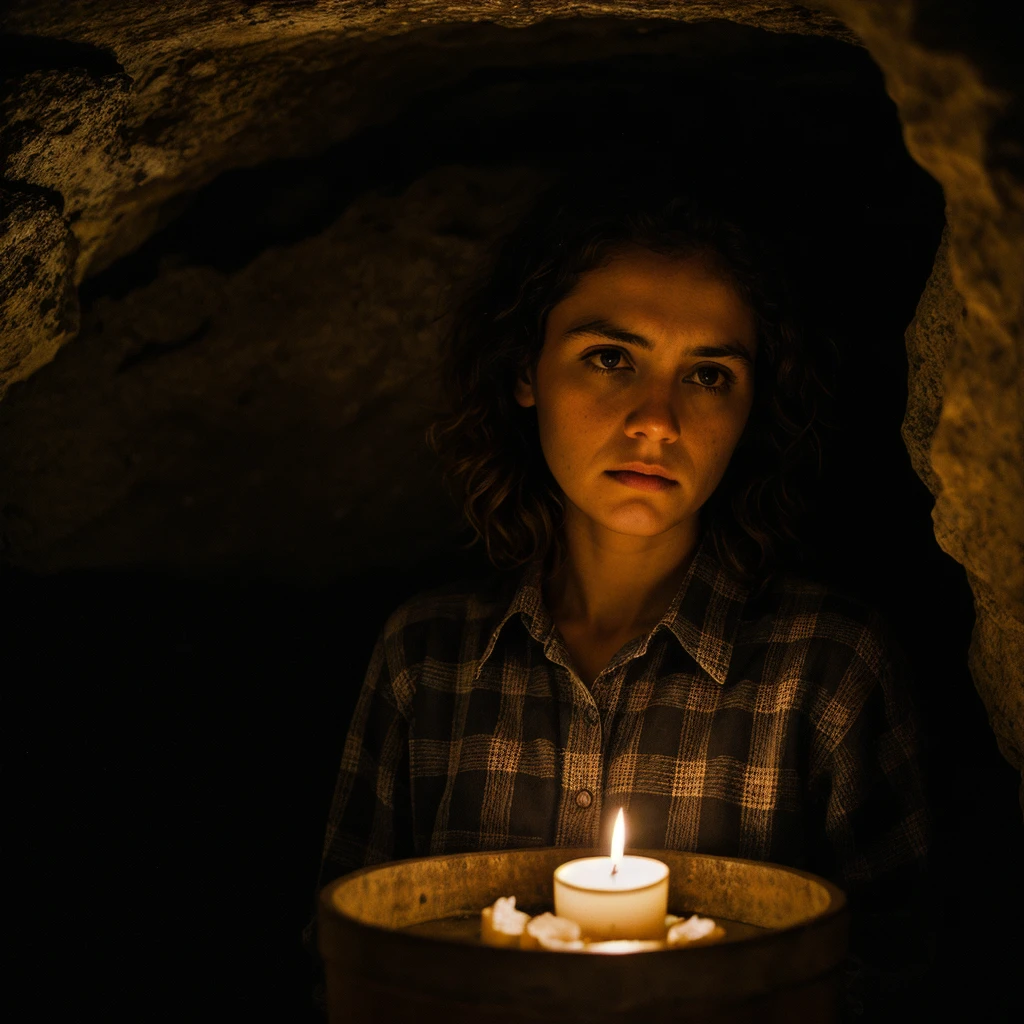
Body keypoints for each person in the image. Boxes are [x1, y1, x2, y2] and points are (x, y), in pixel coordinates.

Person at [311, 179, 931, 1018]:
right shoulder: (427, 659)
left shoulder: (823, 668)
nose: (657, 421)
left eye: (708, 375)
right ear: (526, 370)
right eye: (611, 359)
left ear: (753, 408)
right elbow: (347, 963)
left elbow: (900, 977)